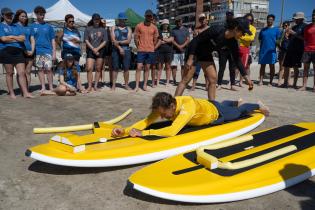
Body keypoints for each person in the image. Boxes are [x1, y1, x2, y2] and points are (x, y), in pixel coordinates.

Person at [111, 92, 269, 138]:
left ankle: (257, 104)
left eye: (163, 114)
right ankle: (233, 101)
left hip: (215, 114)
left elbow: (172, 131)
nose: (161, 116)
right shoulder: (164, 105)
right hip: (207, 104)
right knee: (220, 103)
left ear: (172, 106)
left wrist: (144, 134)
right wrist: (124, 131)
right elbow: (146, 121)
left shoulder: (187, 108)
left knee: (238, 113)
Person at [175, 17, 254, 101]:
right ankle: (173, 104)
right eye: (243, 32)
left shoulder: (233, 42)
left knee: (213, 79)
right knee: (186, 79)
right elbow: (196, 40)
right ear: (236, 28)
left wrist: (247, 78)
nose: (244, 35)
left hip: (206, 54)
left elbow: (237, 60)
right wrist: (190, 58)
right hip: (194, 51)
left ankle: (212, 105)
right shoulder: (217, 29)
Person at [0, 7, 33, 99]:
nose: (10, 16)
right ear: (2, 15)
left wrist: (10, 37)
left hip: (18, 51)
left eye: (11, 15)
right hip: (6, 51)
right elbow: (3, 39)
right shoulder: (1, 26)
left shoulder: (15, 26)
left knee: (22, 73)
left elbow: (22, 38)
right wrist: (15, 38)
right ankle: (11, 93)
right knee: (10, 73)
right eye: (7, 15)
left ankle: (25, 92)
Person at [31, 6, 56, 94]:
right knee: (40, 70)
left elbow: (53, 40)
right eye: (40, 14)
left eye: (43, 14)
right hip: (38, 51)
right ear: (36, 14)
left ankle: (51, 87)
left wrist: (54, 53)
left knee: (49, 69)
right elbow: (31, 39)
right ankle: (43, 87)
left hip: (48, 50)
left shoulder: (49, 27)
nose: (42, 16)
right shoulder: (32, 26)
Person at [134, 9, 159, 91]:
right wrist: (139, 47)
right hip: (141, 50)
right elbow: (135, 38)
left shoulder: (154, 27)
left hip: (150, 50)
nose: (149, 17)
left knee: (147, 68)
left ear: (152, 17)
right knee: (138, 67)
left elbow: (155, 39)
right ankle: (137, 86)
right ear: (145, 16)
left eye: (150, 16)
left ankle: (144, 85)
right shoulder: (139, 25)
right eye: (147, 15)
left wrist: (152, 46)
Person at [282, 12, 307, 88]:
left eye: (296, 19)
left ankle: (294, 84)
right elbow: (289, 37)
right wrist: (287, 35)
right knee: (286, 66)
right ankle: (286, 83)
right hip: (290, 49)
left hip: (298, 50)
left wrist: (294, 33)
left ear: (301, 19)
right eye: (294, 19)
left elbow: (304, 38)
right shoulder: (293, 27)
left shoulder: (305, 27)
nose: (295, 20)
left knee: (295, 67)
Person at [84, 13, 108, 92]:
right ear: (93, 20)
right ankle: (89, 86)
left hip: (100, 50)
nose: (97, 21)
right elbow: (86, 40)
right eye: (95, 19)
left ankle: (96, 86)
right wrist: (93, 49)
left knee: (98, 69)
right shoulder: (88, 29)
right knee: (89, 68)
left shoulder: (103, 29)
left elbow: (105, 41)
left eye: (98, 19)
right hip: (91, 50)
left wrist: (97, 49)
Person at [13, 9, 35, 90]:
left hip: (30, 52)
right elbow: (14, 40)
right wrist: (24, 50)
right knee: (20, 73)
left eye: (25, 16)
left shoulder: (29, 27)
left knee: (28, 72)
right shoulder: (14, 26)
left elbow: (32, 39)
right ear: (18, 17)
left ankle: (27, 89)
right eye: (22, 16)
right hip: (19, 52)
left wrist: (32, 50)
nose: (24, 18)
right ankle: (22, 89)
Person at [110, 12, 132, 91]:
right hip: (116, 50)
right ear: (118, 19)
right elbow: (113, 40)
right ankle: (113, 85)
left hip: (126, 50)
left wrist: (118, 42)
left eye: (124, 19)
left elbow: (128, 41)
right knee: (115, 68)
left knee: (126, 68)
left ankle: (126, 85)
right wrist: (120, 48)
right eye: (121, 19)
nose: (122, 21)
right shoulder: (113, 28)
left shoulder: (128, 28)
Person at [258, 14, 281, 86]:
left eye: (271, 19)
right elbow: (259, 39)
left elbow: (279, 40)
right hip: (263, 51)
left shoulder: (277, 30)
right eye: (268, 19)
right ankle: (261, 81)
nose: (269, 21)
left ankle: (270, 82)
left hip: (272, 52)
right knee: (262, 66)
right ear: (267, 20)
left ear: (273, 21)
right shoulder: (263, 30)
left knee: (272, 66)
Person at [217, 10, 237, 90]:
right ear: (226, 16)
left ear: (233, 15)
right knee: (222, 68)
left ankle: (232, 84)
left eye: (231, 14)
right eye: (228, 14)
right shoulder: (223, 25)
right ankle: (219, 84)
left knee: (232, 68)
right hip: (223, 50)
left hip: (232, 50)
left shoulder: (236, 25)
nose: (229, 16)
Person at [190, 13, 209, 91]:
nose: (202, 20)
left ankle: (207, 86)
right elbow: (194, 41)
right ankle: (193, 86)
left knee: (206, 71)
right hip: (198, 52)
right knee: (196, 70)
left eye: (203, 19)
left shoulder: (210, 28)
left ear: (206, 20)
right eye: (201, 19)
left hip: (207, 52)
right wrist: (195, 35)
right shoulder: (196, 29)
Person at [299, 9, 315, 91]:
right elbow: (305, 39)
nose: (313, 16)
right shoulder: (307, 27)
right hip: (307, 50)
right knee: (305, 69)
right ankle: (304, 86)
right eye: (313, 14)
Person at [171, 17, 190, 84]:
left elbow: (188, 40)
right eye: (177, 21)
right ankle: (174, 80)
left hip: (184, 51)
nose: (178, 22)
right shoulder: (173, 30)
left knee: (183, 66)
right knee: (174, 66)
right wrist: (178, 46)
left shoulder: (186, 29)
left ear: (182, 21)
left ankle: (182, 80)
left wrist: (182, 46)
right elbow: (172, 39)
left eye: (179, 21)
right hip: (175, 51)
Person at [239, 13, 256, 87]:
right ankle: (232, 81)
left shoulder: (253, 28)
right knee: (234, 65)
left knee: (244, 66)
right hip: (237, 47)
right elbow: (237, 35)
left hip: (245, 48)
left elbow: (251, 38)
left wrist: (242, 37)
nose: (248, 21)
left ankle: (240, 81)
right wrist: (245, 37)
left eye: (250, 20)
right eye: (247, 19)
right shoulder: (241, 26)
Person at [155, 19, 173, 87]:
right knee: (159, 67)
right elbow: (158, 40)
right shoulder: (159, 31)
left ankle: (167, 82)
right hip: (160, 51)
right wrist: (167, 40)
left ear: (168, 25)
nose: (165, 25)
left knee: (168, 67)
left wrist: (163, 40)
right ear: (162, 24)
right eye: (164, 24)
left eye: (166, 24)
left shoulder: (171, 31)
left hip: (168, 51)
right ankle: (158, 81)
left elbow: (171, 39)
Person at [277, 21, 290, 86]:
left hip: (288, 52)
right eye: (284, 26)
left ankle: (287, 81)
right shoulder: (281, 33)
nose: (285, 27)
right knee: (281, 67)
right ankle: (279, 81)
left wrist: (287, 37)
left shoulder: (291, 33)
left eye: (286, 25)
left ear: (289, 26)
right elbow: (278, 41)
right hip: (282, 51)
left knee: (288, 68)